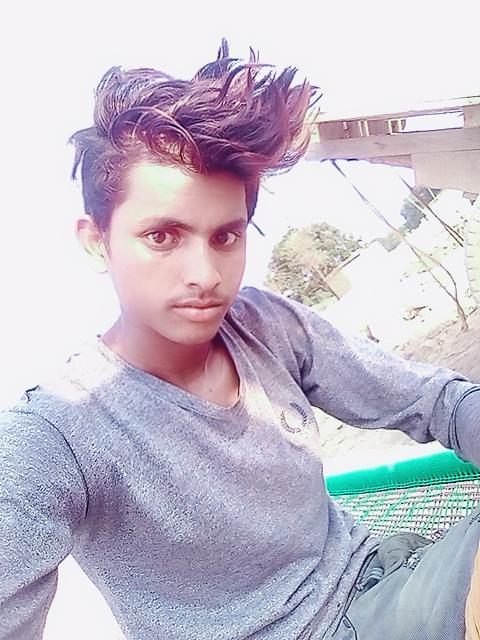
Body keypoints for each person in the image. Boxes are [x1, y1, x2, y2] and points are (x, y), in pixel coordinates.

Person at [1, 41, 479, 640]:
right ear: (97, 241)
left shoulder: (265, 324)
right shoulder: (58, 433)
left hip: (389, 575)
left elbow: (436, 399)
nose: (205, 274)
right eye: (163, 236)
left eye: (226, 237)